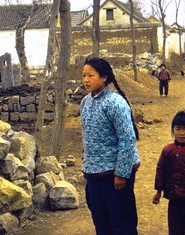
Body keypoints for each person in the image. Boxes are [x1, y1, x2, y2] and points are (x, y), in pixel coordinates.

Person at [81, 56, 141, 235]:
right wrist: (86, 156)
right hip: (94, 174)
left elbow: (127, 139)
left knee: (122, 224)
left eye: (90, 75)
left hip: (115, 176)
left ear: (104, 77)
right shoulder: (85, 102)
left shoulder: (115, 103)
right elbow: (87, 133)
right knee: (101, 223)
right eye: (83, 75)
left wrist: (122, 174)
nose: (85, 80)